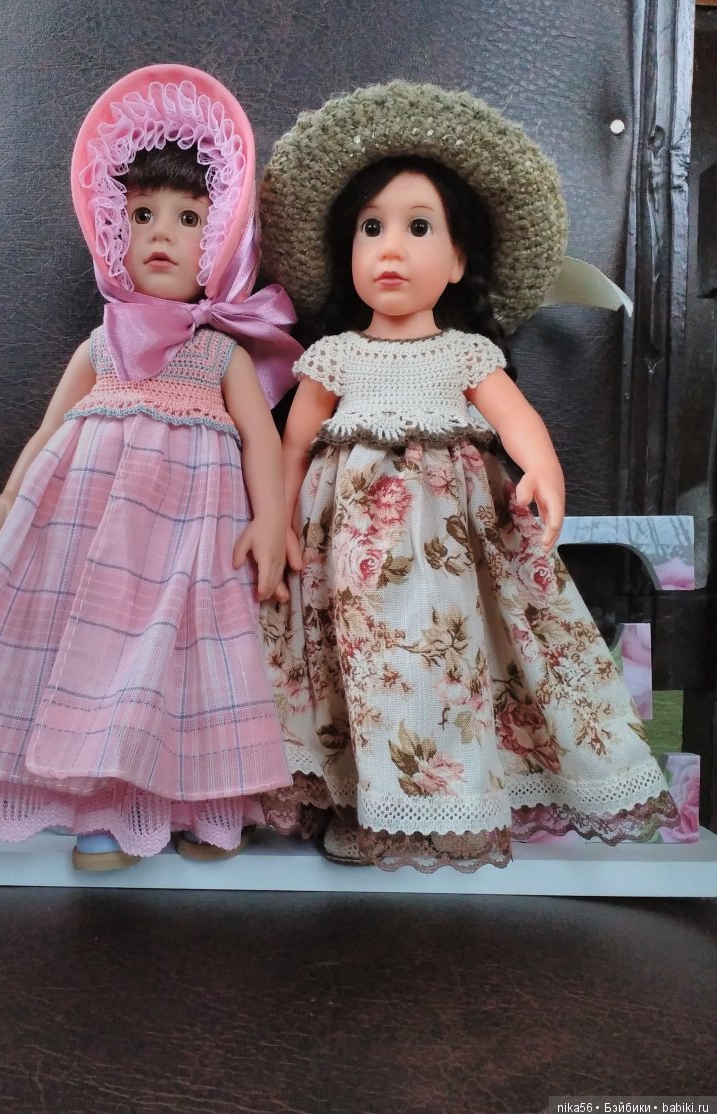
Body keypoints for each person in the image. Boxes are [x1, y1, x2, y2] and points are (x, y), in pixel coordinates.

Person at [258, 80, 679, 872]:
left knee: (438, 667)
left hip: (448, 561)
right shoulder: (335, 357)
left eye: (418, 227)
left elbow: (517, 418)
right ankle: (362, 804)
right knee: (359, 669)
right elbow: (292, 444)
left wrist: (542, 467)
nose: (390, 248)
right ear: (346, 252)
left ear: (456, 260)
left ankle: (445, 803)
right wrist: (278, 521)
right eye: (371, 228)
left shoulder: (464, 355)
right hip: (344, 564)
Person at [0, 64, 300, 871]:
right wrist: (12, 493)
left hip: (190, 539)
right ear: (114, 229)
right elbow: (52, 427)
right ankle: (99, 812)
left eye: (188, 218)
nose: (161, 233)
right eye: (142, 214)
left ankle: (203, 808)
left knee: (194, 662)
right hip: (89, 538)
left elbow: (262, 440)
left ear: (221, 237)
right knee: (84, 660)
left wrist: (269, 521)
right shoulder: (101, 345)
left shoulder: (219, 352)